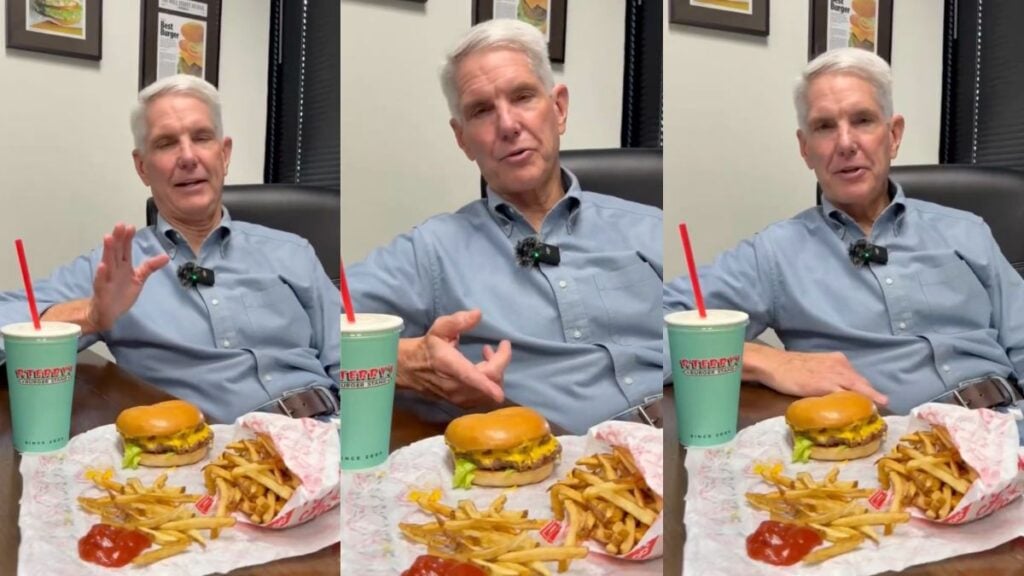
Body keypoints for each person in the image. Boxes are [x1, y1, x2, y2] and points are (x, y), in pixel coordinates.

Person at [664, 47, 1024, 442]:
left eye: (863, 120)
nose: (846, 142)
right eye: (824, 126)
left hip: (1011, 431)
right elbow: (649, 331)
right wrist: (768, 360)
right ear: (805, 149)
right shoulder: (774, 254)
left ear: (894, 134)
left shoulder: (967, 231)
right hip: (886, 459)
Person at [346, 20, 663, 434]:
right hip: (552, 467)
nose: (508, 124)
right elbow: (316, 330)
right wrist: (403, 362)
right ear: (462, 139)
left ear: (559, 109)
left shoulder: (648, 228)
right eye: (481, 110)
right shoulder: (432, 251)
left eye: (523, 96)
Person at [0, 75, 340, 424]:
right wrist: (90, 316)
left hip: (327, 430)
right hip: (207, 457)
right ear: (142, 167)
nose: (188, 156)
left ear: (224, 155)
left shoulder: (292, 252)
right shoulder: (116, 270)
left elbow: (349, 358)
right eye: (166, 143)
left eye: (202, 137)